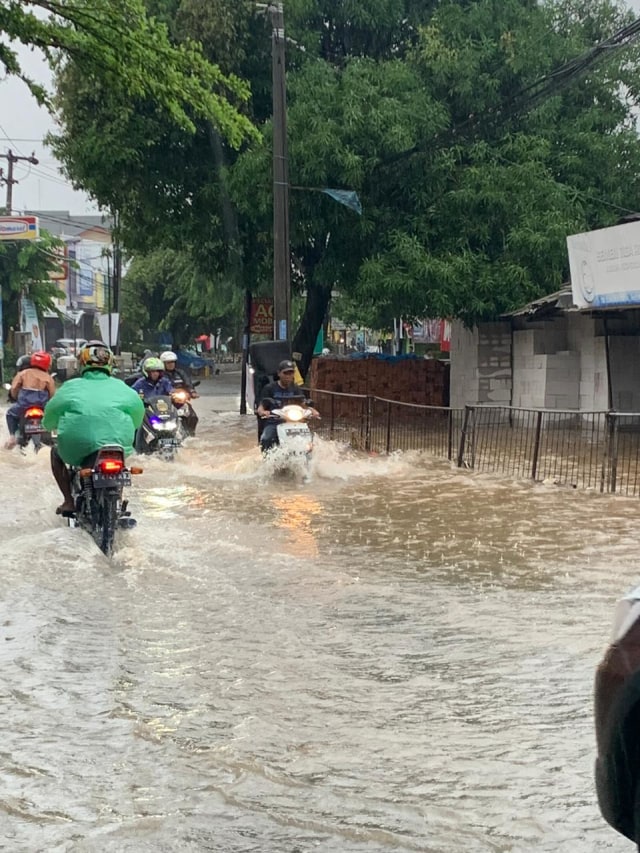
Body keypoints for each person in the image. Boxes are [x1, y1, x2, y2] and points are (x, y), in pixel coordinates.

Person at [43, 341, 144, 515]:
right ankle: (117, 500)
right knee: (120, 460)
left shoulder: (70, 387)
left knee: (55, 453)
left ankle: (68, 501)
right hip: (118, 442)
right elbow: (138, 416)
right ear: (109, 364)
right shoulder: (123, 387)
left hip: (78, 446)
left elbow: (50, 415)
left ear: (82, 363)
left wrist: (50, 426)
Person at [256, 359, 319, 452]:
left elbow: (303, 402)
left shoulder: (296, 388)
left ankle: (309, 459)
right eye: (285, 373)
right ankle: (267, 461)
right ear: (279, 373)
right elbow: (262, 405)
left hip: (294, 421)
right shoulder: (269, 388)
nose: (288, 376)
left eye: (291, 373)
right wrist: (262, 412)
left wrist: (312, 410)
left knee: (310, 439)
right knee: (267, 438)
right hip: (274, 421)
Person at [5, 351, 56, 448]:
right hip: (42, 407)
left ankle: (12, 437)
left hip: (24, 406)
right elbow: (52, 395)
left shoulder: (23, 373)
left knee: (10, 414)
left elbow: (14, 388)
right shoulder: (48, 378)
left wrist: (15, 397)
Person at [159, 351, 199, 435]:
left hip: (180, 401)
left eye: (173, 362)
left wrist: (192, 392)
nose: (171, 364)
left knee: (193, 416)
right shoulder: (160, 375)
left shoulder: (180, 373)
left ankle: (191, 434)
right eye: (168, 362)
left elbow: (188, 383)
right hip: (165, 402)